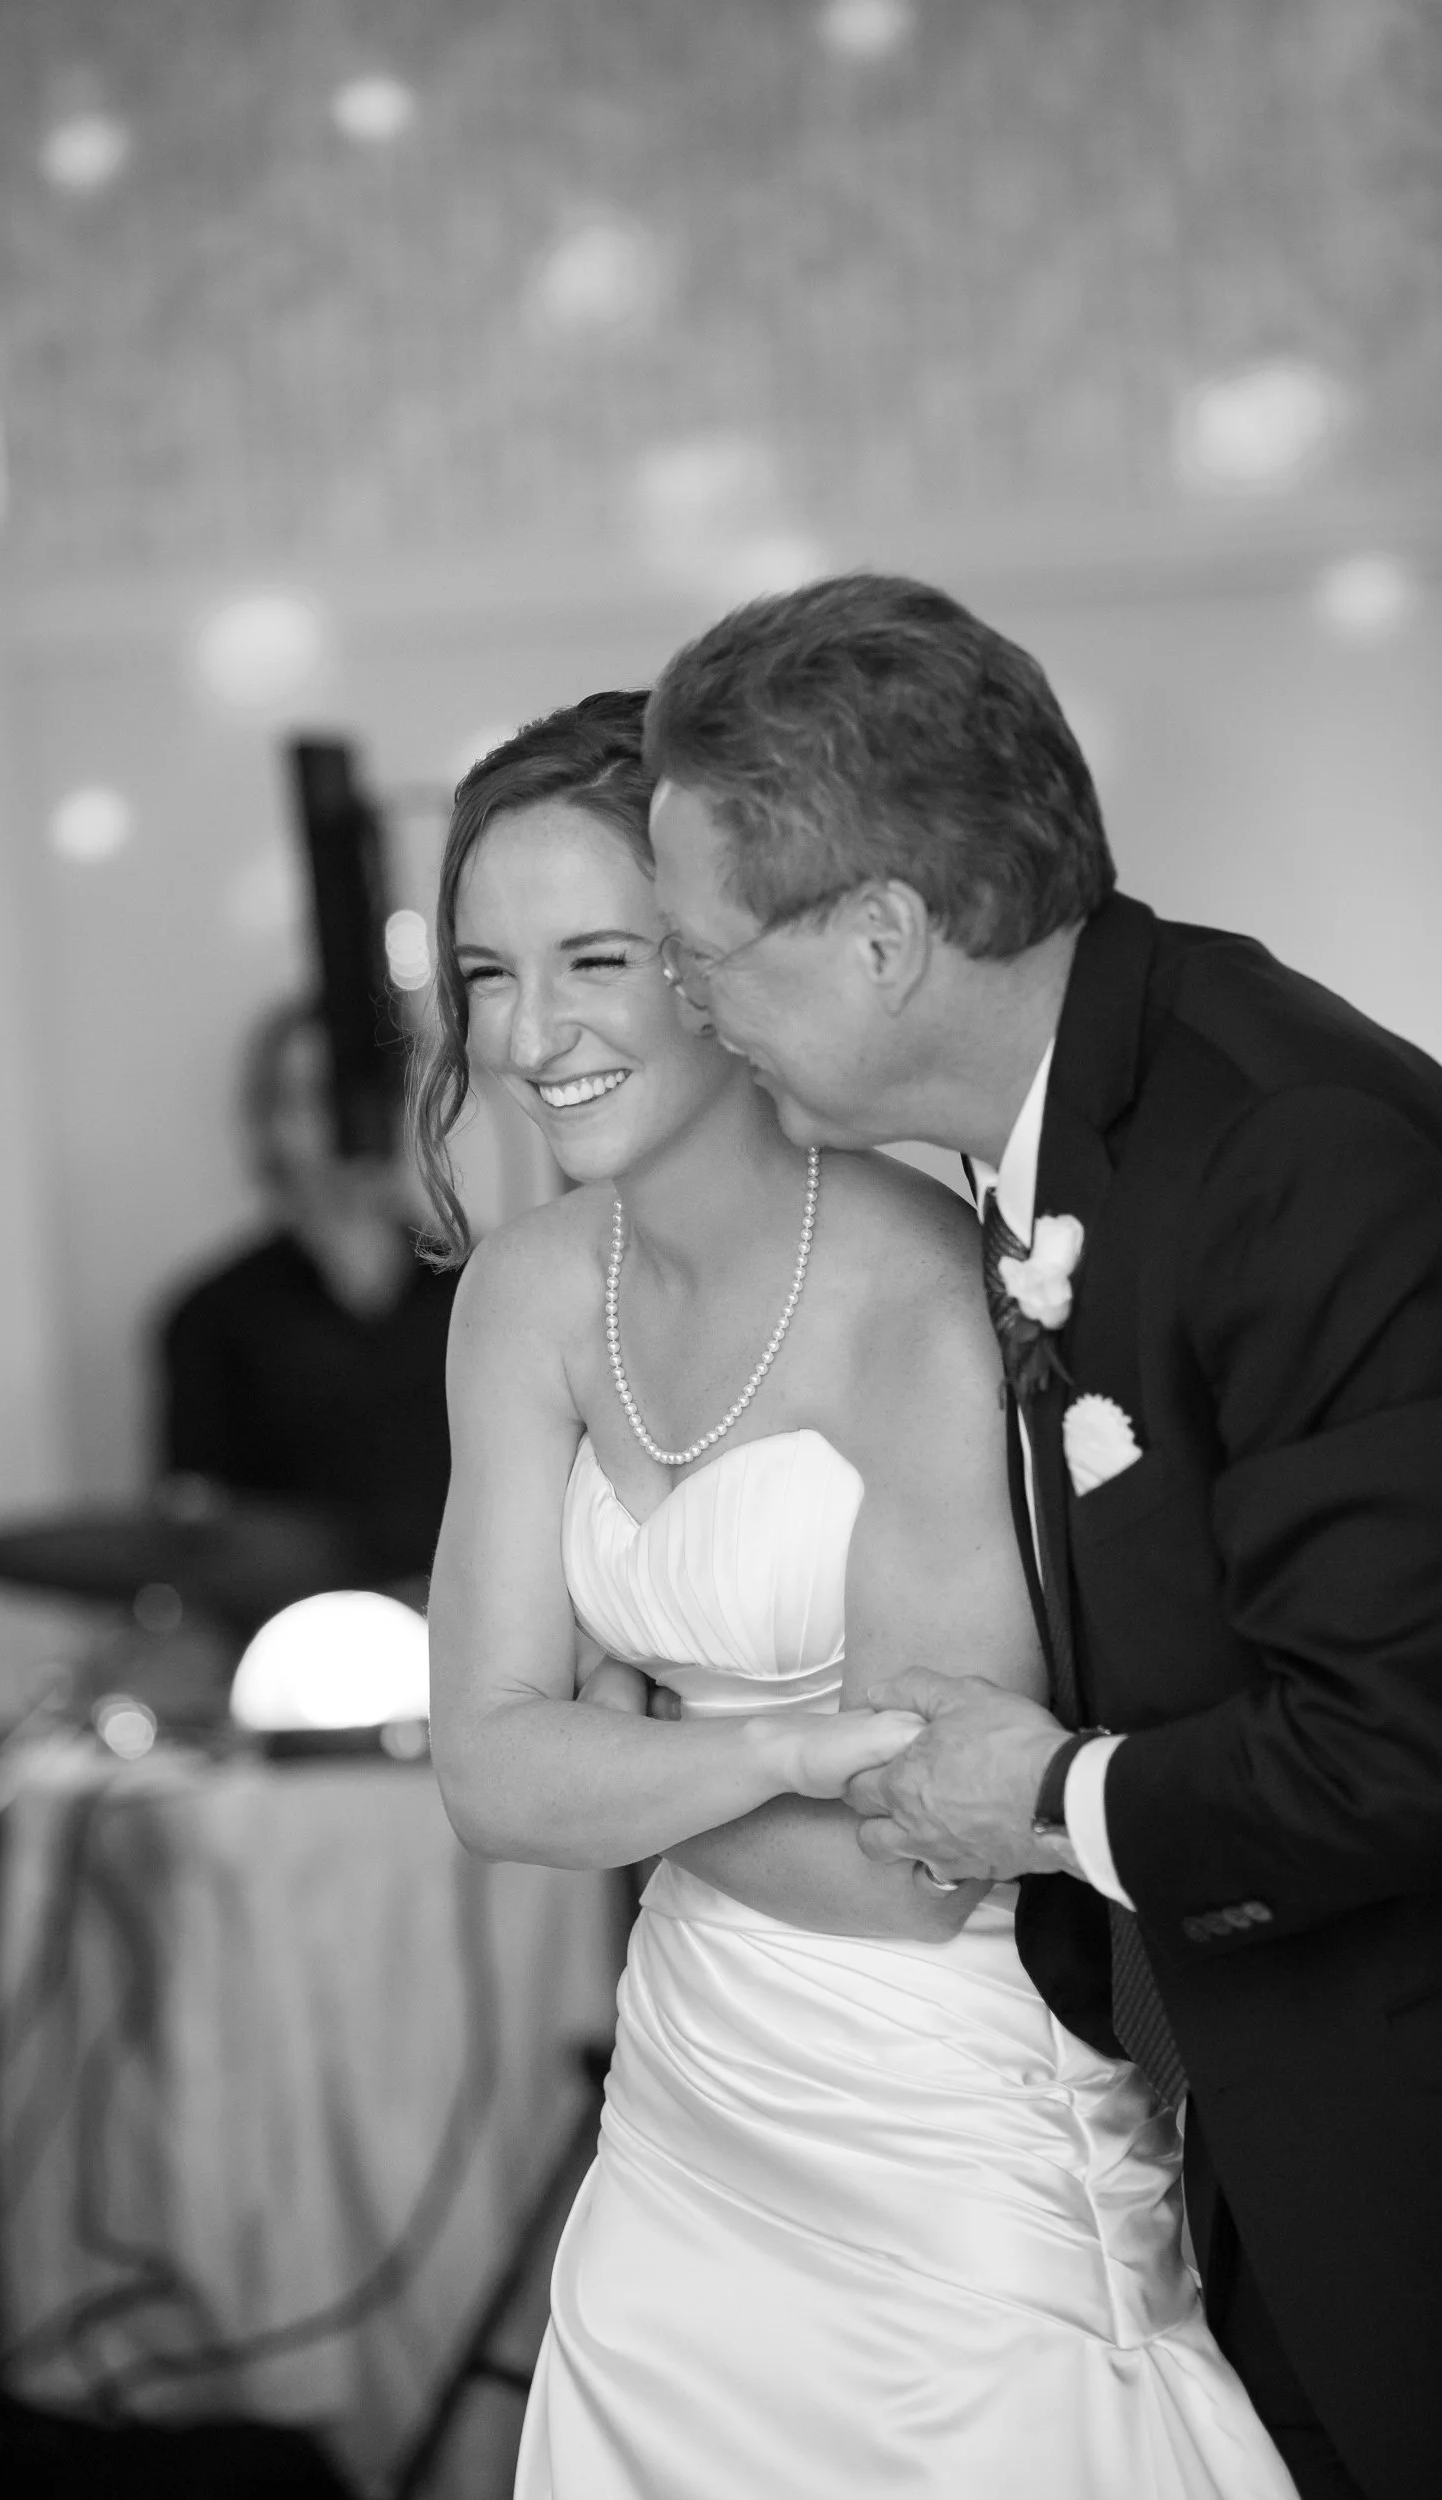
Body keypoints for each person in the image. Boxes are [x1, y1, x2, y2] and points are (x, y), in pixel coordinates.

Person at [419, 693, 1293, 2498]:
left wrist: (633, 1745)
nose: (529, 1034)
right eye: (484, 975)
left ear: (705, 968)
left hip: (941, 2105)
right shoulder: (516, 1300)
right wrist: (787, 1749)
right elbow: (482, 1779)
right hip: (685, 2107)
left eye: (592, 957)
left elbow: (914, 1875)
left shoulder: (913, 1289)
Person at [643, 572, 1442, 2500]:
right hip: (1240, 2133)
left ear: (884, 937)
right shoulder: (1087, 1119)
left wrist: (1047, 1802)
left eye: (697, 959)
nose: (690, 1014)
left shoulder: (1291, 1154)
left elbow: (1399, 1741)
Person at [158, 997, 457, 1592]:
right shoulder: (212, 1316)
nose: (347, 1124)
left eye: (365, 1093)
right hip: (287, 1645)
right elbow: (195, 1530)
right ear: (270, 1124)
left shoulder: (487, 1288)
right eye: (315, 1099)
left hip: (472, 1640)